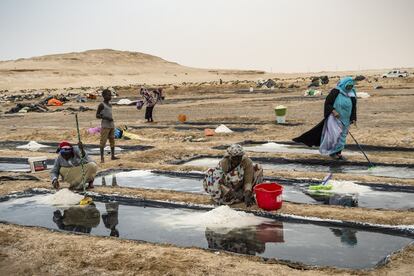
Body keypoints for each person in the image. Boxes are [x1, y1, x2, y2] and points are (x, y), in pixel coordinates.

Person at [293, 77, 357, 160]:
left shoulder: (351, 94)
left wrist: (353, 118)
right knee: (334, 136)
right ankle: (333, 153)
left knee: (342, 137)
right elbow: (328, 103)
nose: (349, 88)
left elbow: (354, 108)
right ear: (343, 84)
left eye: (351, 87)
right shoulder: (336, 92)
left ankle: (338, 152)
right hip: (334, 119)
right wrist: (333, 111)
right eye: (348, 86)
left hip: (345, 119)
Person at [96, 89, 119, 163]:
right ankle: (102, 158)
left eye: (110, 95)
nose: (110, 96)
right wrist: (106, 117)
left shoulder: (110, 105)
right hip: (105, 125)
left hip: (111, 125)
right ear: (103, 96)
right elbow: (97, 115)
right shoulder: (101, 105)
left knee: (112, 140)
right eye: (108, 95)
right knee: (103, 142)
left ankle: (112, 156)